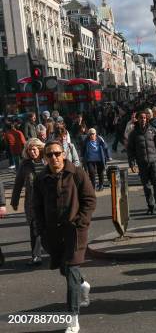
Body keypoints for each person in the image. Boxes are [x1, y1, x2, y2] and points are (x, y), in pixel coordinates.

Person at [33, 140, 97, 333]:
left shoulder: (76, 173)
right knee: (66, 270)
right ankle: (83, 285)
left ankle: (72, 318)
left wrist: (81, 222)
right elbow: (37, 207)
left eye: (57, 153)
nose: (54, 157)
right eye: (50, 155)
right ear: (45, 158)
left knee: (70, 272)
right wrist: (41, 230)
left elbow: (89, 199)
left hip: (75, 232)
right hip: (53, 234)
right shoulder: (41, 178)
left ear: (64, 154)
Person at [10, 138, 46, 265]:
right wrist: (14, 201)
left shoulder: (48, 159)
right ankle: (36, 256)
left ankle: (57, 252)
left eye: (34, 149)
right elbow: (18, 183)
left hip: (49, 201)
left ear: (40, 148)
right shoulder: (25, 164)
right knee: (34, 229)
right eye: (29, 149)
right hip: (32, 202)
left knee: (51, 227)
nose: (32, 152)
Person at [127, 111, 156, 215]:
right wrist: (132, 164)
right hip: (142, 163)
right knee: (146, 186)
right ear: (137, 119)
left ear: (147, 119)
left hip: (154, 162)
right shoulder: (133, 133)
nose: (143, 120)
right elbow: (130, 150)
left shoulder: (153, 130)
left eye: (144, 118)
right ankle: (150, 206)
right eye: (141, 118)